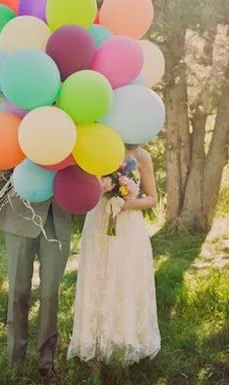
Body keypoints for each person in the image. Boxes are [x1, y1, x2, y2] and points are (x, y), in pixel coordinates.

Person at [0, 170, 72, 383]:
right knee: (18, 291)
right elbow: (3, 176)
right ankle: (15, 361)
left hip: (58, 221)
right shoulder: (23, 136)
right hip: (19, 216)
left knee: (50, 294)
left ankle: (46, 362)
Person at [68, 145, 161, 366]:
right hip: (98, 220)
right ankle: (95, 343)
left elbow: (152, 198)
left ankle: (125, 339)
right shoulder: (96, 147)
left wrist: (125, 203)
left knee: (125, 278)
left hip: (128, 225)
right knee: (97, 276)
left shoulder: (140, 156)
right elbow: (81, 190)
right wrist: (99, 191)